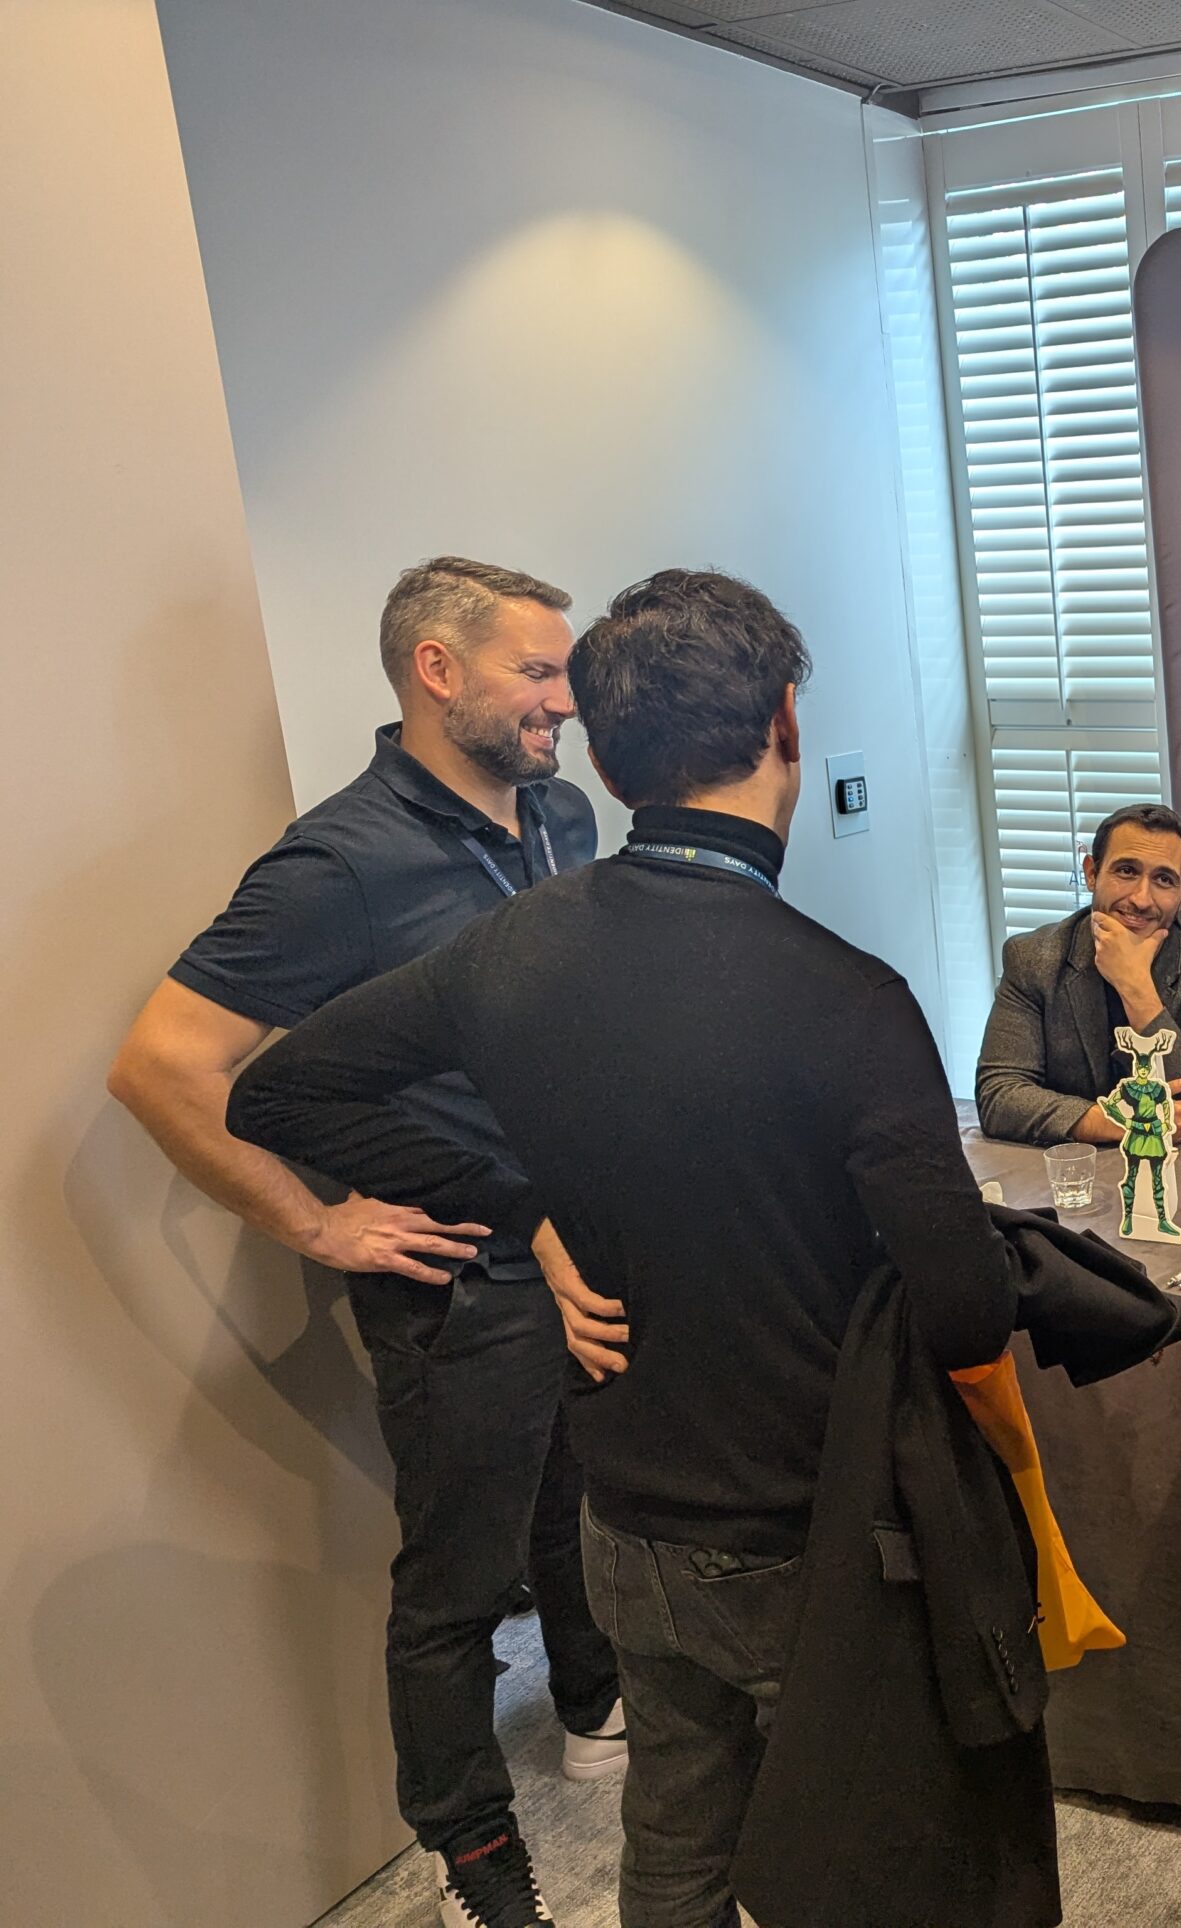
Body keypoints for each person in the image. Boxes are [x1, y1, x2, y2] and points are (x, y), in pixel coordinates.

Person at [228, 570, 1026, 1928]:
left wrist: (515, 1203)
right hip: (795, 1530)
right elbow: (966, 1312)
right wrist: (520, 1207)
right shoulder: (851, 998)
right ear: (785, 723)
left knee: (679, 1827)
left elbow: (280, 1093)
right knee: (885, 1848)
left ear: (603, 760)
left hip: (624, 1519)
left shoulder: (505, 953)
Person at [106, 557, 621, 1928]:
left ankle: (592, 1702)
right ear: (436, 671)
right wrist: (312, 1219)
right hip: (459, 1280)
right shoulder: (339, 863)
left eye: (565, 669)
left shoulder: (561, 810)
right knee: (459, 1577)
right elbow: (161, 1065)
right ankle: (470, 1847)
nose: (566, 700)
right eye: (537, 671)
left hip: (576, 1240)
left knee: (579, 1499)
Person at [975, 801, 1181, 1146]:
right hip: (1073, 1161)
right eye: (1126, 871)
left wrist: (1135, 986)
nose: (1141, 899)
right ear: (1091, 873)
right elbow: (999, 1096)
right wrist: (1116, 1122)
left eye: (1164, 879)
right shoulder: (1033, 958)